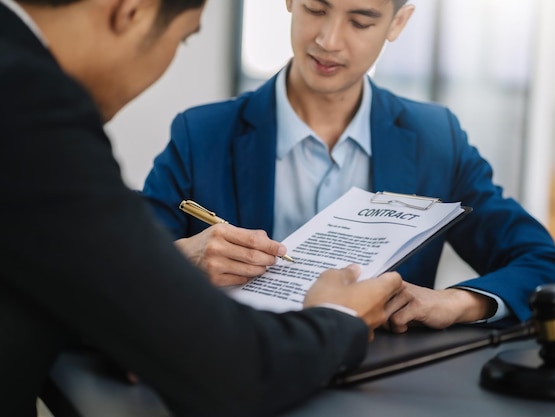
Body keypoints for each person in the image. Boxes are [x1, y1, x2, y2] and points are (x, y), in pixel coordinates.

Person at [0, 0, 405, 416]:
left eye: (359, 21)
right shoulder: (31, 108)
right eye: (184, 38)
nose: (329, 39)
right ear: (132, 11)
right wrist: (339, 315)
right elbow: (232, 370)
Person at [143, 0, 555, 331]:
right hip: (239, 381)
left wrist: (454, 303)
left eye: (360, 20)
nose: (329, 40)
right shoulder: (201, 135)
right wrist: (184, 257)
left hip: (379, 388)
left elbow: (550, 267)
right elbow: (117, 271)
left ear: (398, 23)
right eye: (316, 8)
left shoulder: (436, 139)